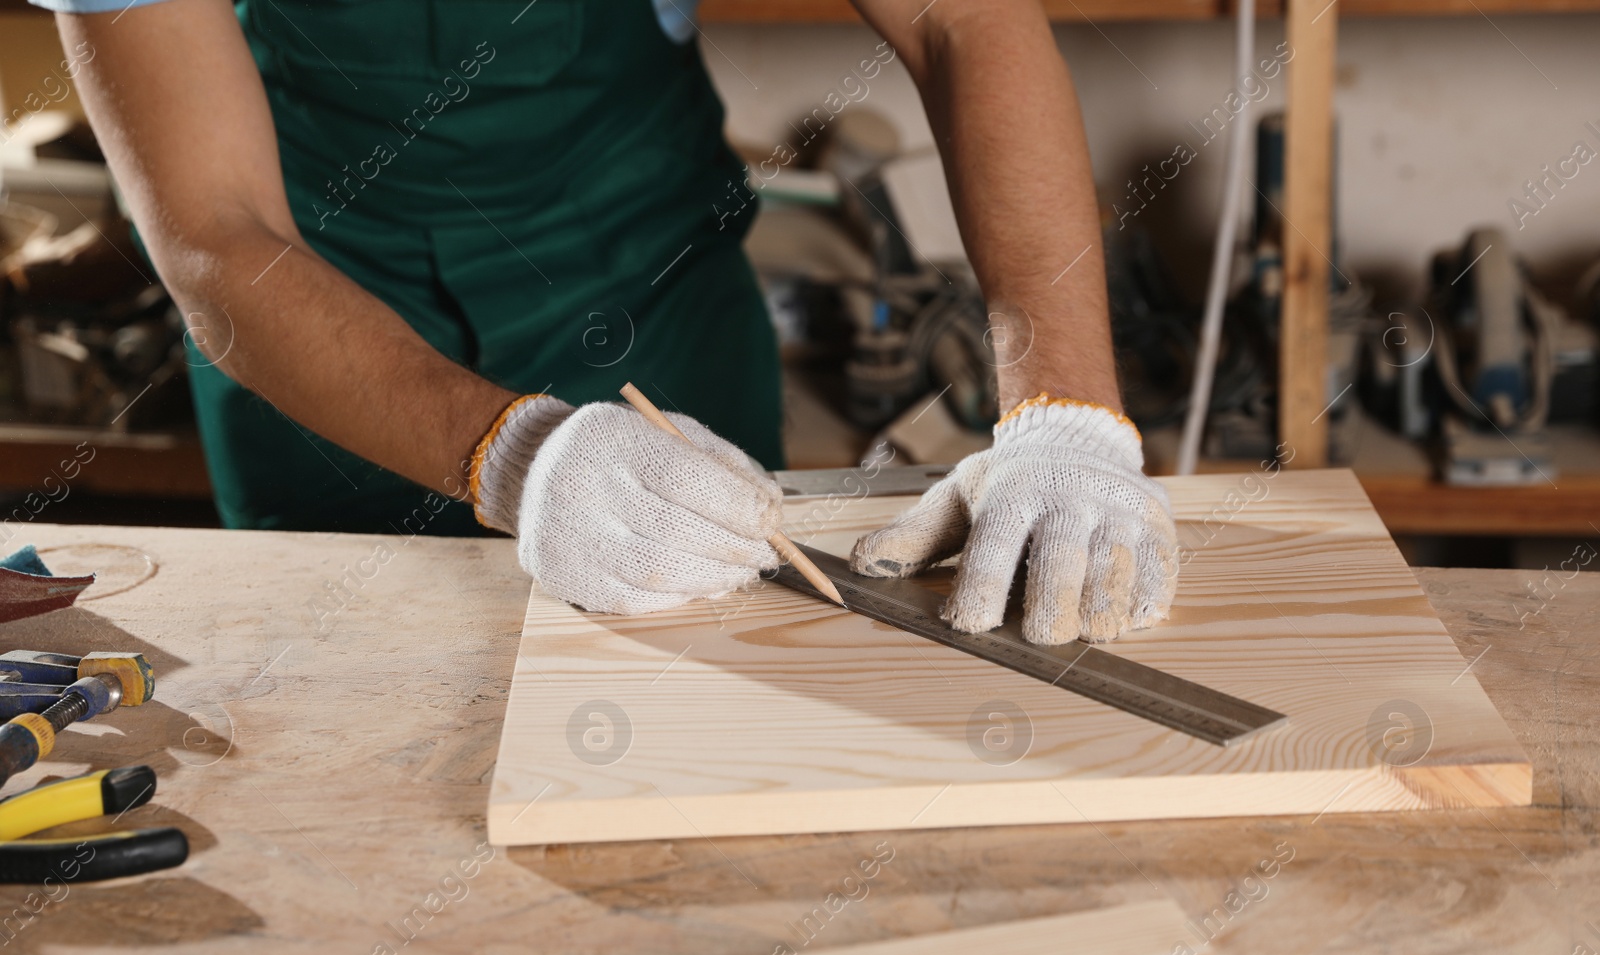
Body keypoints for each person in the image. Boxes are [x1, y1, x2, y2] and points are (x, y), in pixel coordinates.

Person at [39, 0, 1177, 644]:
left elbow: (957, 22)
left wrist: (1062, 406)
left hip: (648, 288)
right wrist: (516, 453)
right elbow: (214, 232)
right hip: (318, 330)